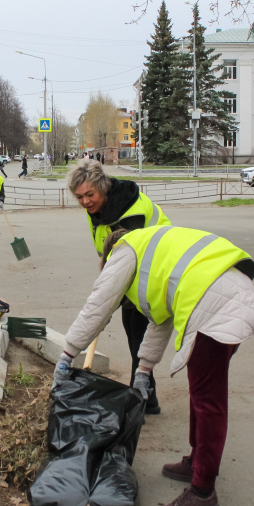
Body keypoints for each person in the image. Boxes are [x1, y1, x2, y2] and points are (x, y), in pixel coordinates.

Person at [53, 225, 254, 506]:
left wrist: (67, 354)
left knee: (209, 400)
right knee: (202, 393)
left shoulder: (124, 252)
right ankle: (197, 462)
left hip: (215, 303)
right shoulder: (151, 255)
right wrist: (144, 368)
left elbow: (98, 306)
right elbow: (161, 317)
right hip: (224, 290)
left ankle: (203, 492)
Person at [67, 160, 171, 413]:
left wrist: (109, 294)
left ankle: (143, 401)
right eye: (79, 197)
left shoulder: (130, 215)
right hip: (131, 270)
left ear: (103, 187)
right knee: (136, 338)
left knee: (139, 339)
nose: (85, 202)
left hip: (153, 274)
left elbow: (130, 264)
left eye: (90, 195)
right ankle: (148, 398)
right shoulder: (101, 206)